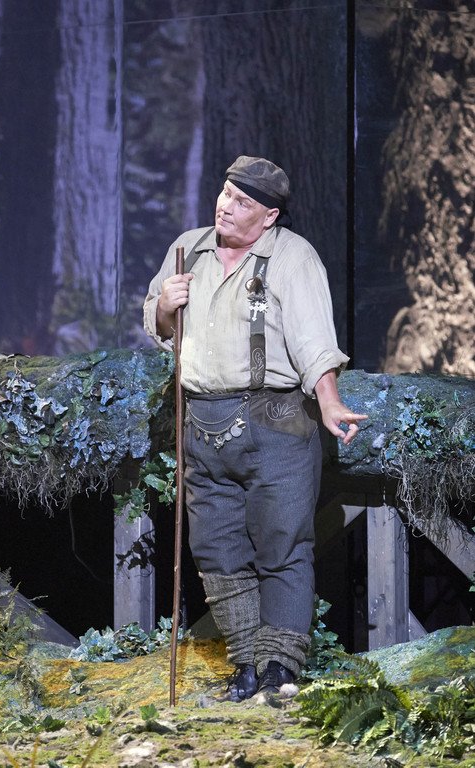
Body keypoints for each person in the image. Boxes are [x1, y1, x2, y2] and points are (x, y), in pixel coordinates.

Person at [143, 156, 367, 700]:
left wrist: (330, 402)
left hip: (276, 423)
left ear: (268, 217)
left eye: (242, 202)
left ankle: (279, 669)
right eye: (225, 193)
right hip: (202, 424)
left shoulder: (292, 257)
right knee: (217, 551)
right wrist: (167, 307)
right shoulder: (188, 249)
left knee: (281, 546)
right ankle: (246, 664)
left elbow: (314, 341)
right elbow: (159, 322)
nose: (225, 206)